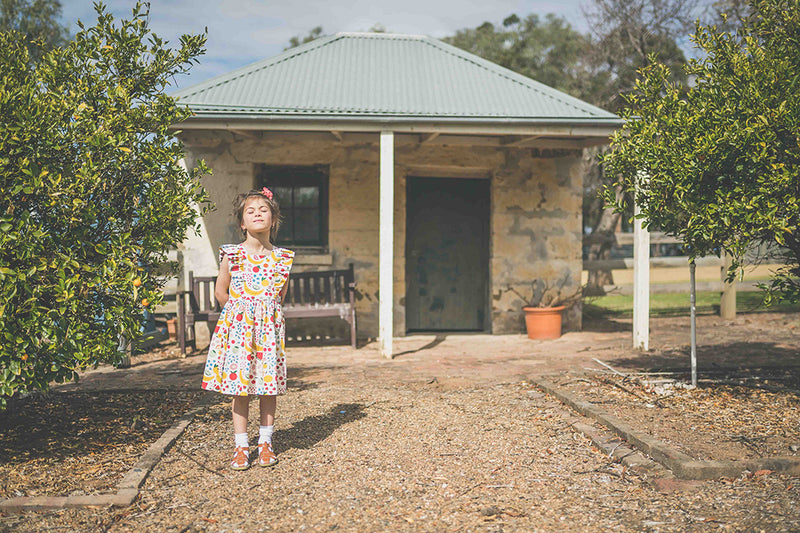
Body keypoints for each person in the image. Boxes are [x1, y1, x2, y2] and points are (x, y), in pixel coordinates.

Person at [201, 187, 294, 470]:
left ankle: (266, 443)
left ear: (273, 219)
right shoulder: (233, 255)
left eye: (263, 210)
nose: (257, 214)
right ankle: (241, 446)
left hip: (268, 332)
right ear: (242, 222)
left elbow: (279, 296)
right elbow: (220, 292)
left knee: (268, 388)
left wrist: (265, 318)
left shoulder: (283, 259)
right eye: (250, 212)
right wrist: (238, 318)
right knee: (239, 389)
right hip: (240, 330)